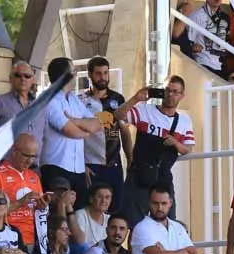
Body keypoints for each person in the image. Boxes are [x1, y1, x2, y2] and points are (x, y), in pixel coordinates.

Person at [113, 76, 196, 223]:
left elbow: (187, 149)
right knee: (132, 222)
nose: (170, 95)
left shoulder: (184, 121)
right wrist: (136, 98)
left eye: (175, 92)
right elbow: (118, 116)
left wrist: (175, 143)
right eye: (168, 90)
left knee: (168, 223)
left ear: (182, 95)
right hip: (139, 174)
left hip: (163, 177)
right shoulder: (145, 110)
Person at [39, 57, 101, 204]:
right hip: (56, 166)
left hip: (78, 169)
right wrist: (84, 130)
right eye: (73, 71)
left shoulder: (73, 98)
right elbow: (72, 132)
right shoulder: (50, 99)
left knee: (77, 214)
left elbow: (97, 124)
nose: (76, 74)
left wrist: (74, 120)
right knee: (58, 216)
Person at [82, 56, 129, 204]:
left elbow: (125, 131)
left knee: (116, 208)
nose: (103, 77)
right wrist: (81, 165)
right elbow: (75, 135)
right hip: (92, 165)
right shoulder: (81, 100)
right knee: (91, 208)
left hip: (114, 164)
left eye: (105, 73)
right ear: (90, 75)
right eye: (98, 73)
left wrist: (130, 158)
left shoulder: (118, 98)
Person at [0, 60, 45, 153]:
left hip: (33, 165)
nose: (23, 79)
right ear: (10, 78)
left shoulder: (40, 106)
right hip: (5, 163)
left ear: (33, 79)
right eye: (18, 75)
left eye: (27, 76)